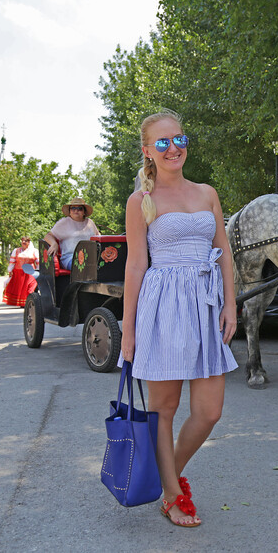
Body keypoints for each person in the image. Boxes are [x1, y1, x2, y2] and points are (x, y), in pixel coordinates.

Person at [119, 111, 238, 528]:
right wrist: (128, 331)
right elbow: (135, 266)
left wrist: (230, 305)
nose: (174, 148)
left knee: (209, 412)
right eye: (163, 142)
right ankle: (172, 493)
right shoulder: (141, 201)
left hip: (206, 306)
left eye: (179, 138)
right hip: (163, 306)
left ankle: (165, 473)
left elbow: (223, 251)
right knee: (163, 409)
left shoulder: (207, 193)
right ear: (148, 151)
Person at [43, 198, 99, 270]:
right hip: (70, 257)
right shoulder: (64, 222)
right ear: (69, 211)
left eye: (79, 208)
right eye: (73, 208)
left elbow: (98, 236)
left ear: (84, 212)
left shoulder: (90, 222)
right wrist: (54, 244)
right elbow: (48, 236)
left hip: (91, 257)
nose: (76, 210)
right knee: (83, 265)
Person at [3, 237, 39, 307]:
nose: (24, 242)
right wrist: (10, 270)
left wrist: (37, 271)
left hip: (30, 272)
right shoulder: (16, 250)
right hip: (19, 272)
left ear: (29, 242)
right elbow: (12, 261)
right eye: (23, 241)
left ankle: (28, 301)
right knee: (21, 288)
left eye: (26, 241)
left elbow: (38, 262)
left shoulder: (34, 251)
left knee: (30, 287)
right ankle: (23, 303)